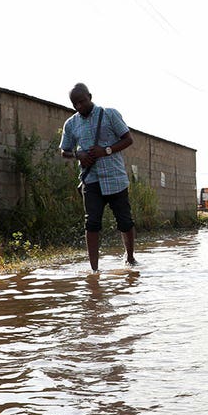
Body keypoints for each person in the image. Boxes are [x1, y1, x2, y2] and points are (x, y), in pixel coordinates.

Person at [60, 82, 138, 272]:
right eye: (75, 104)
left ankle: (130, 258)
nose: (79, 106)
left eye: (82, 101)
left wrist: (106, 150)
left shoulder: (110, 114)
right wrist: (78, 155)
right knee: (92, 223)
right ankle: (94, 271)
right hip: (91, 180)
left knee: (125, 222)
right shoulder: (71, 124)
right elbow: (64, 151)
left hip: (115, 179)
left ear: (90, 97)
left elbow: (128, 139)